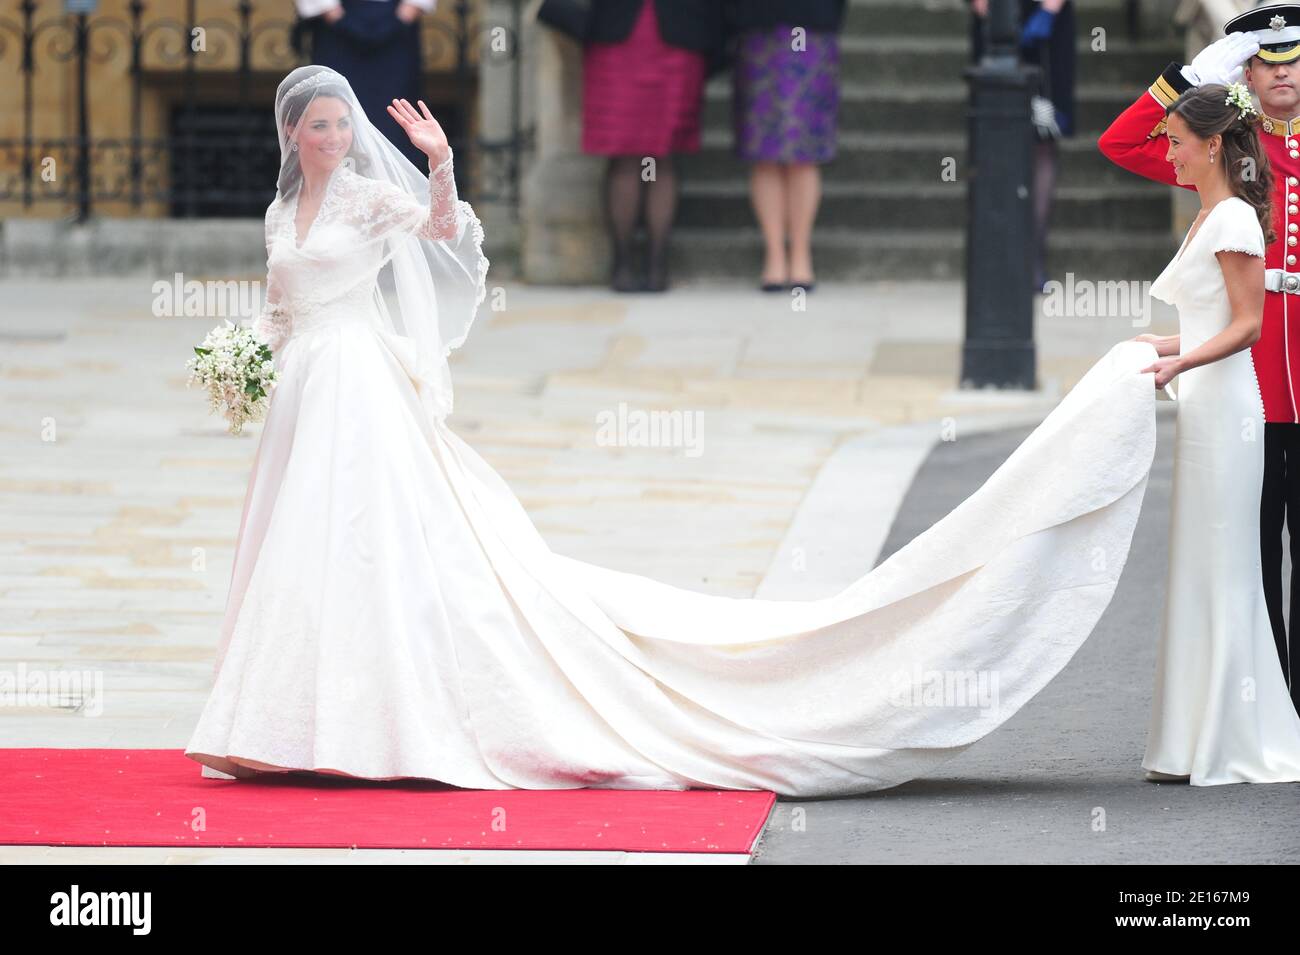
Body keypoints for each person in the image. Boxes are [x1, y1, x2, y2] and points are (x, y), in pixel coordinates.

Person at [183, 65, 1290, 795]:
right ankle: (282, 714)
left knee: (378, 538)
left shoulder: (375, 198)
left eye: (339, 123)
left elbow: (442, 233)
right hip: (305, 389)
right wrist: (246, 360)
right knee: (302, 543)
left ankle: (361, 719)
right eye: (315, 125)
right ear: (295, 137)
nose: (330, 136)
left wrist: (437, 162)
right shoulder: (286, 208)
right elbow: (281, 301)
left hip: (365, 393)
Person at [1099, 4, 1300, 721]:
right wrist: (1185, 79)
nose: (1283, 75)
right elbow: (1123, 144)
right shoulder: (1235, 157)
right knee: (1251, 555)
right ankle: (1270, 699)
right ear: (1247, 72)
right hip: (1256, 383)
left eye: (1293, 61)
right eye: (1268, 63)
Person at [580, 0, 725, 293]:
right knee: (624, 151)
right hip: (618, 34)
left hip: (678, 34)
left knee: (661, 153)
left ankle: (657, 262)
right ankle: (622, 262)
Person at [726, 0, 846, 294]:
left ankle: (801, 253)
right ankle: (775, 254)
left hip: (810, 28)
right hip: (759, 30)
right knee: (763, 151)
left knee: (803, 150)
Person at [970, 0, 1076, 293]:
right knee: (994, 136)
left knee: (1043, 142)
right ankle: (1000, 257)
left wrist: (1050, 9)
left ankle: (1031, 258)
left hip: (1048, 22)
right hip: (995, 19)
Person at [297, 0, 433, 170]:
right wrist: (337, 17)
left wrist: (400, 19)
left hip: (397, 34)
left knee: (394, 117)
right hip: (336, 35)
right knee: (337, 111)